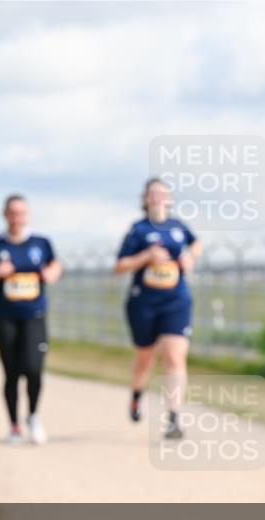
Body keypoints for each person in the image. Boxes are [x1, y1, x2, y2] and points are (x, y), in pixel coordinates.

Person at [114, 178, 202, 439]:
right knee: (145, 357)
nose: (158, 198)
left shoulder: (178, 228)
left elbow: (196, 243)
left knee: (175, 358)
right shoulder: (138, 230)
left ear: (170, 199)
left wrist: (190, 256)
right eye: (153, 194)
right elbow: (119, 266)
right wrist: (145, 257)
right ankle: (136, 394)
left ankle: (174, 418)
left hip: (176, 300)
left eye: (163, 193)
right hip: (144, 302)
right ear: (145, 199)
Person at [0, 194, 61, 444]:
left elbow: (55, 265)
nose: (16, 217)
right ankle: (13, 426)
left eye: (21, 213)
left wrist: (51, 273)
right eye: (12, 212)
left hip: (34, 315)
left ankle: (33, 415)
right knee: (11, 373)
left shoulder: (41, 242)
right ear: (4, 214)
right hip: (5, 317)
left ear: (27, 215)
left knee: (33, 369)